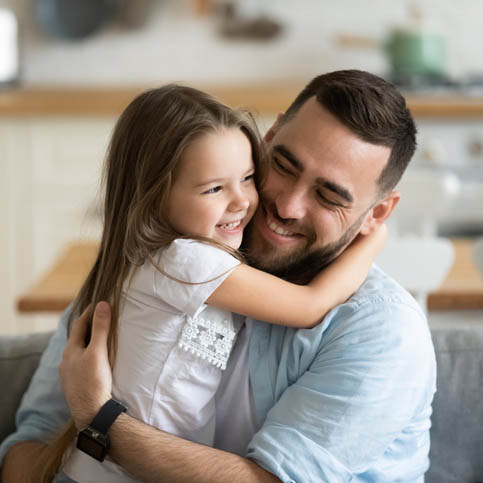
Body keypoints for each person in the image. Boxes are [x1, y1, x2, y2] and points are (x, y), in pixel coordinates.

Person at [0, 70, 436, 482]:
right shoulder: (154, 261)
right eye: (282, 165)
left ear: (376, 214)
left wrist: (97, 416)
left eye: (327, 195)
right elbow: (32, 443)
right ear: (267, 138)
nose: (287, 206)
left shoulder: (380, 328)